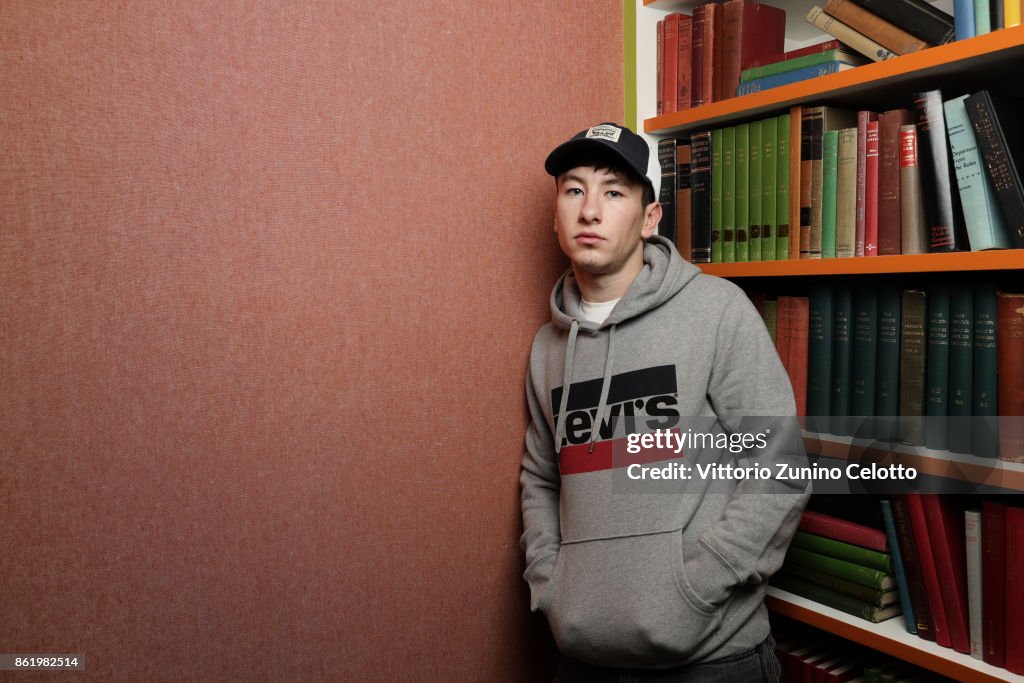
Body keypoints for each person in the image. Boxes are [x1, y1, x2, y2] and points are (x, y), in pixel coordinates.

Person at [519, 122, 812, 682]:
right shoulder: (547, 348)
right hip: (583, 656)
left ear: (650, 218)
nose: (590, 211)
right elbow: (541, 476)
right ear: (556, 210)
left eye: (614, 191)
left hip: (713, 659)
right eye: (574, 190)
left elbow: (778, 466)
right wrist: (549, 580)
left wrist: (697, 586)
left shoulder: (716, 311)